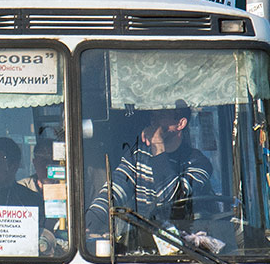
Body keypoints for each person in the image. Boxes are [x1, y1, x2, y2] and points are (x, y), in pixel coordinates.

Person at [85, 101, 212, 236]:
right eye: (153, 112)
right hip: (146, 245)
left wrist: (158, 146)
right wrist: (90, 223)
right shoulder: (138, 156)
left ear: (180, 124)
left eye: (162, 113)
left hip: (188, 246)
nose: (154, 117)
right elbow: (114, 191)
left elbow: (174, 203)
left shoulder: (198, 163)